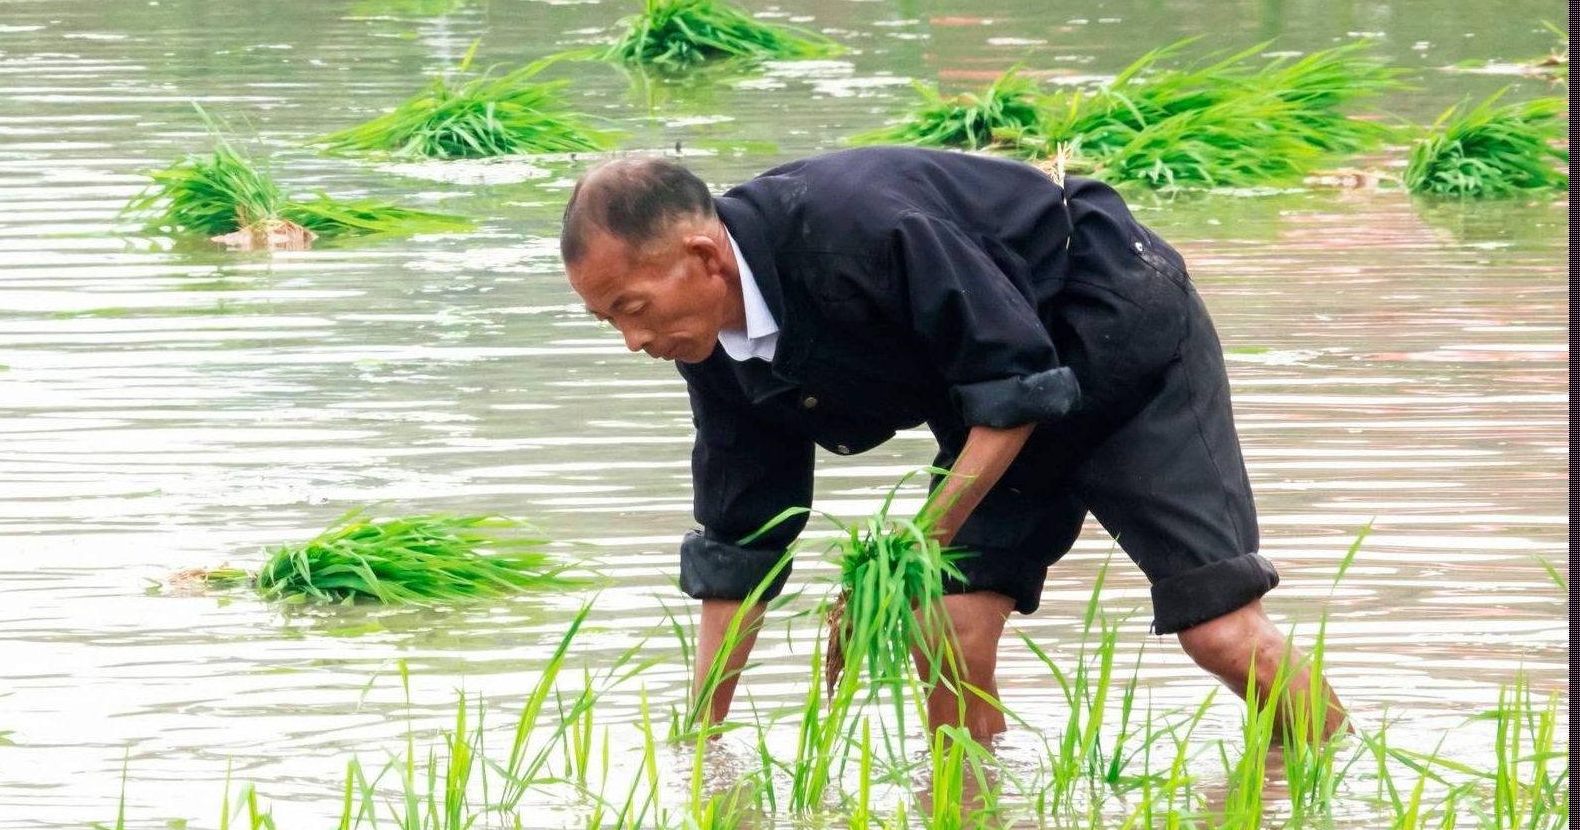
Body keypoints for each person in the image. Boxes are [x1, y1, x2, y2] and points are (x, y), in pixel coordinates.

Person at [560, 145, 1347, 744]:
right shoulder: (716, 347)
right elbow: (741, 543)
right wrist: (700, 739)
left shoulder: (863, 227)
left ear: (701, 258)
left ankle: (1341, 799)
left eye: (633, 306)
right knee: (945, 628)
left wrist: (909, 552)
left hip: (1114, 335)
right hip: (999, 408)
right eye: (609, 321)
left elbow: (1017, 382)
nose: (632, 340)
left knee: (1221, 633)